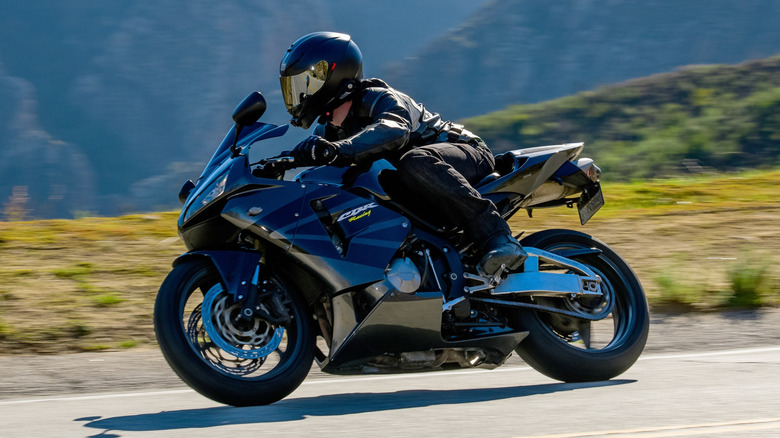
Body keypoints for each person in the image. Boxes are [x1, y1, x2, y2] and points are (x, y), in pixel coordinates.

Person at [279, 32, 526, 276]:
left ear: (333, 75)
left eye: (305, 83)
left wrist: (338, 149)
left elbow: (394, 131)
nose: (300, 95)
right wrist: (278, 165)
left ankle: (498, 236)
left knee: (414, 161)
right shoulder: (329, 131)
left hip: (468, 153)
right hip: (421, 183)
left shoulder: (376, 98)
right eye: (294, 87)